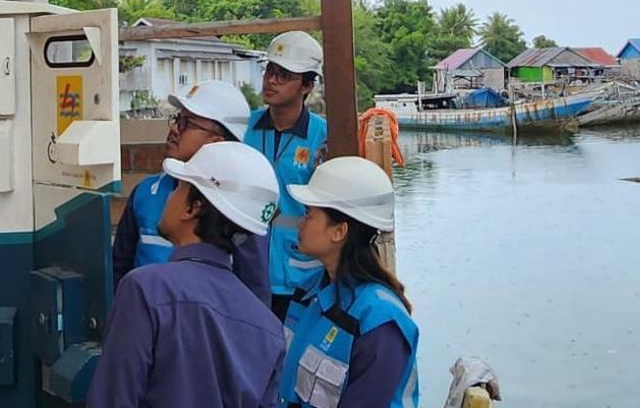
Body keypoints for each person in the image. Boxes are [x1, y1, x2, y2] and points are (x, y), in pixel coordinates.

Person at [88, 142, 285, 407]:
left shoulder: (145, 290)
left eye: (179, 186)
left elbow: (112, 399)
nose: (169, 196)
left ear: (193, 208)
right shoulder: (270, 329)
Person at [112, 80, 269, 304]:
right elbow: (118, 268)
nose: (174, 129)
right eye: (177, 119)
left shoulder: (237, 207)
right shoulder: (145, 193)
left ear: (216, 142)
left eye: (188, 124)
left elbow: (254, 294)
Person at [279, 156, 419, 408]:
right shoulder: (308, 292)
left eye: (309, 214)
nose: (300, 222)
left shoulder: (380, 322)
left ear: (338, 231)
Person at [244, 31, 328, 320]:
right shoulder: (244, 128)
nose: (272, 80)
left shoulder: (323, 137)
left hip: (303, 278)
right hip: (248, 271)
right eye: (270, 71)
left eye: (284, 74)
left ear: (307, 84)